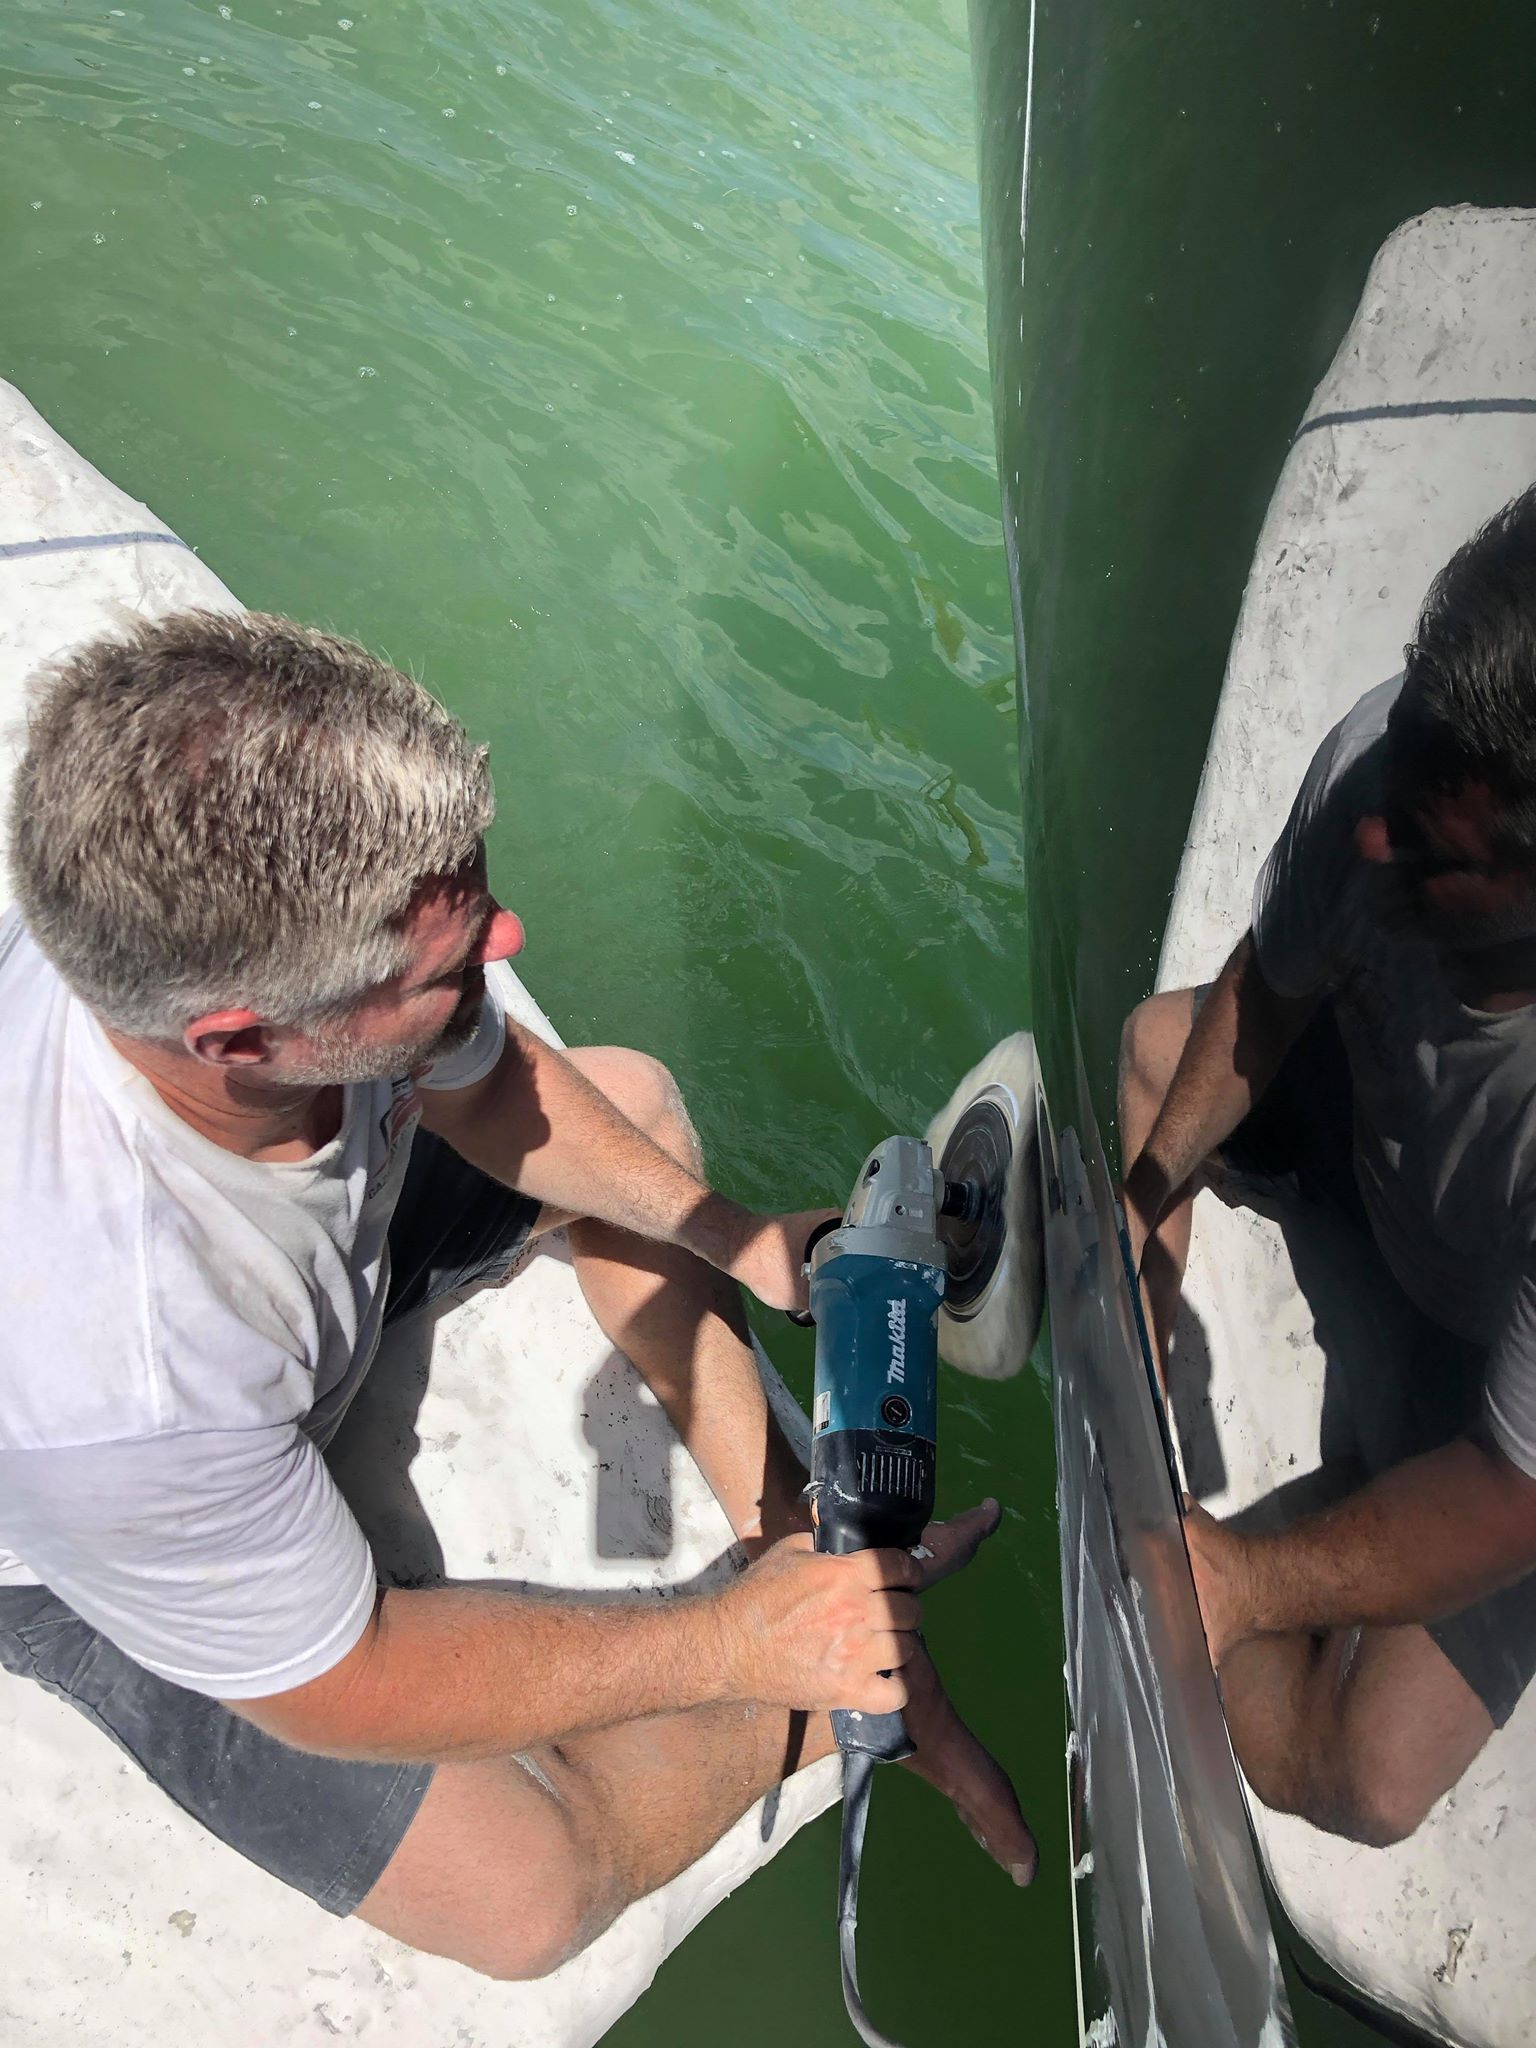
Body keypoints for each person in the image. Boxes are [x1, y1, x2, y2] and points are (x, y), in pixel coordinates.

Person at [0, 609, 1035, 1982]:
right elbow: (348, 1676)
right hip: (112, 1547)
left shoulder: (223, 939)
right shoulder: (122, 1385)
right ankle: (840, 1666)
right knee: (529, 1897)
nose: (510, 935)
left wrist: (733, 1239)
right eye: (445, 964)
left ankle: (815, 1567)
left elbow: (485, 1083)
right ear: (240, 1039)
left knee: (639, 1111)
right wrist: (733, 1647)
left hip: (292, 1293)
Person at [1118, 486, 1536, 1848]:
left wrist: (1242, 1588)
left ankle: (1226, 1574)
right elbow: (1267, 994)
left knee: (1366, 1778)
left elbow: (1506, 1494)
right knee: (1154, 1053)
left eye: (1429, 849)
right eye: (1400, 772)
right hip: (1383, 1157)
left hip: (1503, 1408)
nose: (1374, 834)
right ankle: (1199, 1514)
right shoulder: (1388, 765)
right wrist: (1147, 1205)